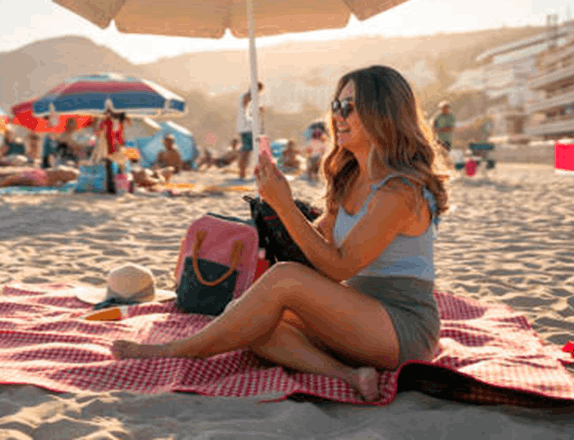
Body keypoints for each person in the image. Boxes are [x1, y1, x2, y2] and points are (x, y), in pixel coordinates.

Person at [111, 65, 450, 402]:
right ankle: (348, 375)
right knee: (251, 323)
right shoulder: (352, 179)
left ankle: (178, 351)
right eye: (335, 106)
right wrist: (270, 218)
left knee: (280, 283)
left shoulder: (400, 192)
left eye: (349, 107)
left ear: (382, 113)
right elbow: (313, 247)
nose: (337, 116)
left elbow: (338, 267)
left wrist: (285, 206)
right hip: (361, 318)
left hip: (403, 328)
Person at [236, 82, 265, 179]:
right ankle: (242, 173)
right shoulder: (247, 96)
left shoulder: (250, 97)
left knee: (248, 150)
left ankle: (243, 172)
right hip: (247, 127)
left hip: (248, 127)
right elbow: (246, 102)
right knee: (247, 150)